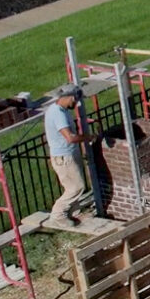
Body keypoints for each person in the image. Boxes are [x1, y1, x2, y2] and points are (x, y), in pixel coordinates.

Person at [45, 84, 95, 227]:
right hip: (64, 157)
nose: (77, 103)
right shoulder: (58, 114)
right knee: (76, 187)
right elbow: (70, 138)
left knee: (74, 185)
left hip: (68, 154)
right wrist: (88, 137)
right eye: (76, 100)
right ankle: (58, 216)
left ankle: (73, 213)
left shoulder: (61, 110)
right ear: (71, 97)